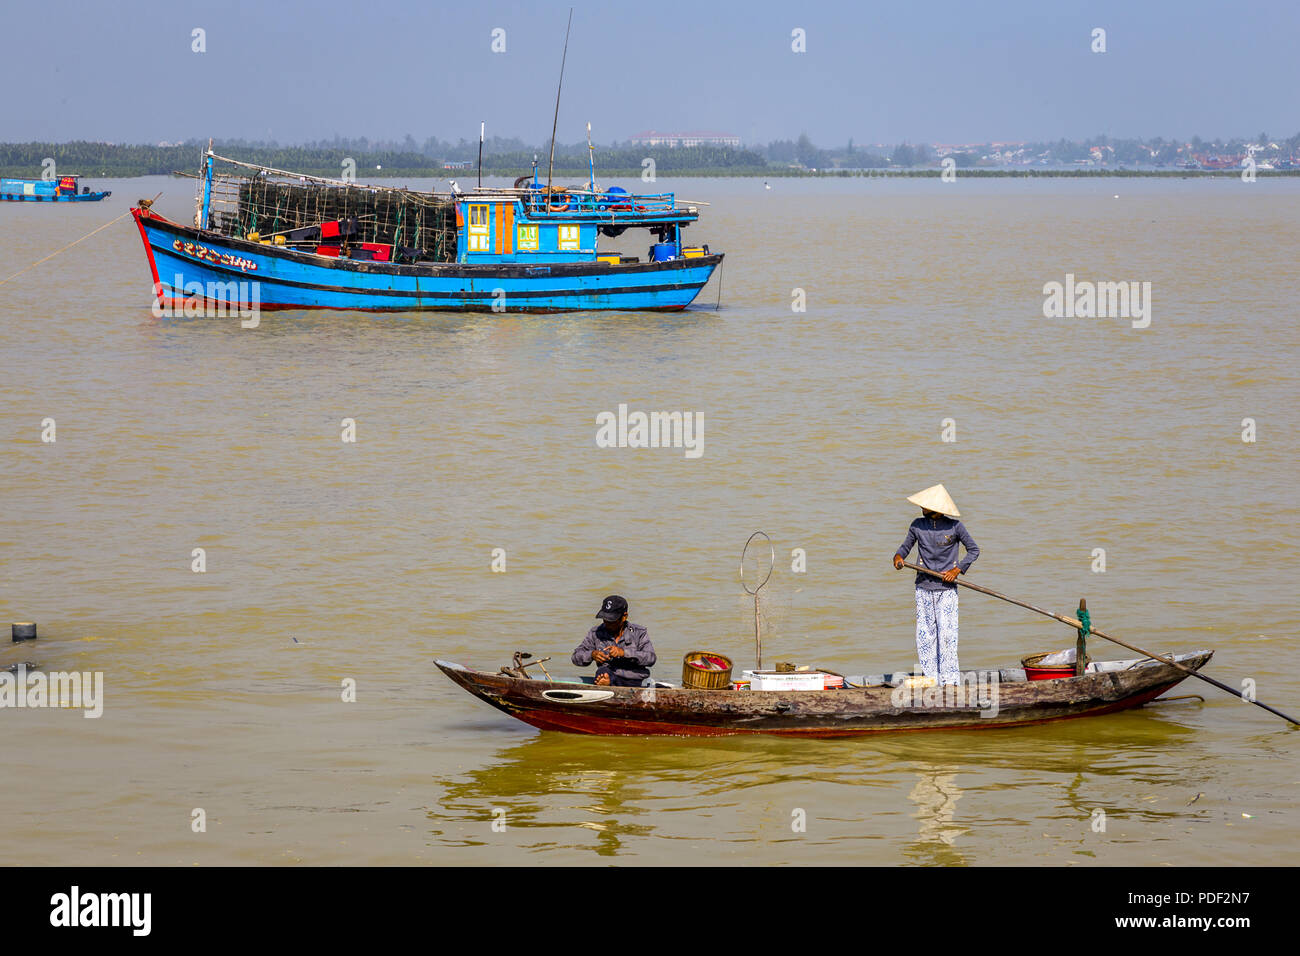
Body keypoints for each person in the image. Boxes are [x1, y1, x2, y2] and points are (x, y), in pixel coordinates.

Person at [892, 484, 979, 686]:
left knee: (947, 635)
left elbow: (974, 550)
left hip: (946, 589)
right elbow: (904, 548)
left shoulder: (955, 527)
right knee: (925, 634)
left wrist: (957, 570)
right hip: (923, 586)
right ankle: (931, 677)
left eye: (925, 505)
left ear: (936, 509)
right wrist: (898, 558)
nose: (921, 507)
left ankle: (949, 680)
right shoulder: (917, 526)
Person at [572, 595, 657, 687]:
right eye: (605, 619)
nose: (607, 624)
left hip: (636, 680)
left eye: (612, 620)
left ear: (624, 617)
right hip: (609, 676)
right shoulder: (595, 633)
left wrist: (623, 653)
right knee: (602, 672)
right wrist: (592, 655)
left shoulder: (639, 633)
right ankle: (607, 682)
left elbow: (651, 658)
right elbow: (576, 657)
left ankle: (611, 684)